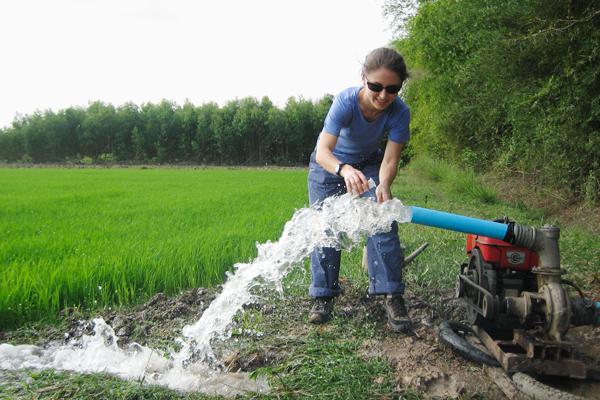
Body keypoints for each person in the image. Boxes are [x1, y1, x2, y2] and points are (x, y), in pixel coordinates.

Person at [307, 47, 411, 332]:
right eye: (376, 86)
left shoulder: (400, 112)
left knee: (383, 217)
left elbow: (390, 159)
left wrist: (384, 186)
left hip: (368, 165)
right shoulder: (346, 102)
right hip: (330, 166)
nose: (382, 96)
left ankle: (391, 294)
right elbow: (323, 152)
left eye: (392, 89)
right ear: (363, 78)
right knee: (325, 227)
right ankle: (323, 296)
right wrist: (343, 169)